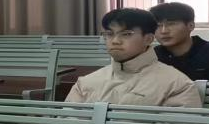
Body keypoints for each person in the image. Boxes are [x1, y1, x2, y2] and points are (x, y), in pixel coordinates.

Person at [66, 8, 202, 107]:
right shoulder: (85, 83)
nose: (115, 41)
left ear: (148, 39)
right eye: (109, 34)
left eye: (126, 34)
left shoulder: (177, 85)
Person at [149, 2, 209, 83]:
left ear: (191, 26)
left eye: (171, 24)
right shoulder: (150, 57)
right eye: (158, 25)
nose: (164, 31)